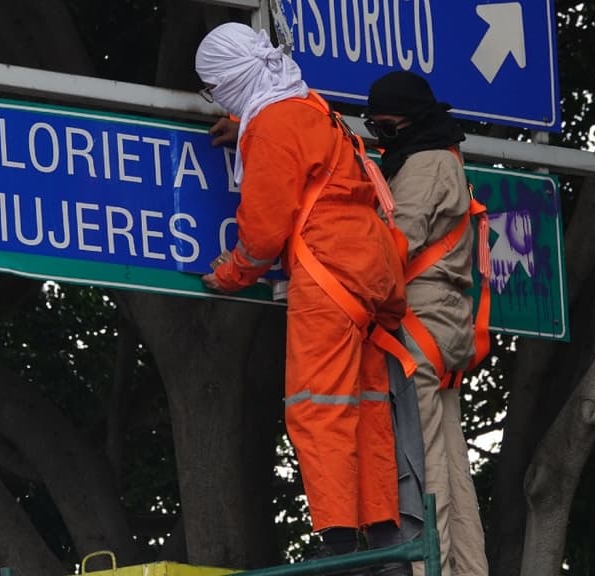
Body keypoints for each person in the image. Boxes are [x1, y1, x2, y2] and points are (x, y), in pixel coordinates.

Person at [195, 22, 411, 570]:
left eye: (215, 87)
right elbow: (300, 144)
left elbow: (265, 231)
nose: (218, 98)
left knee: (318, 407)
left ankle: (339, 547)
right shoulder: (308, 105)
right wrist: (243, 123)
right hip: (373, 266)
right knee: (364, 407)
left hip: (329, 271)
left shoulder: (270, 125)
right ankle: (385, 540)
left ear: (231, 78)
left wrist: (231, 274)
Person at [365, 71, 488, 576]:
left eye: (386, 127)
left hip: (418, 322)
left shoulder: (422, 165)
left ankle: (426, 570)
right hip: (440, 324)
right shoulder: (441, 156)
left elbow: (393, 245)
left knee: (421, 464)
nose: (379, 137)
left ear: (411, 121)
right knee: (452, 466)